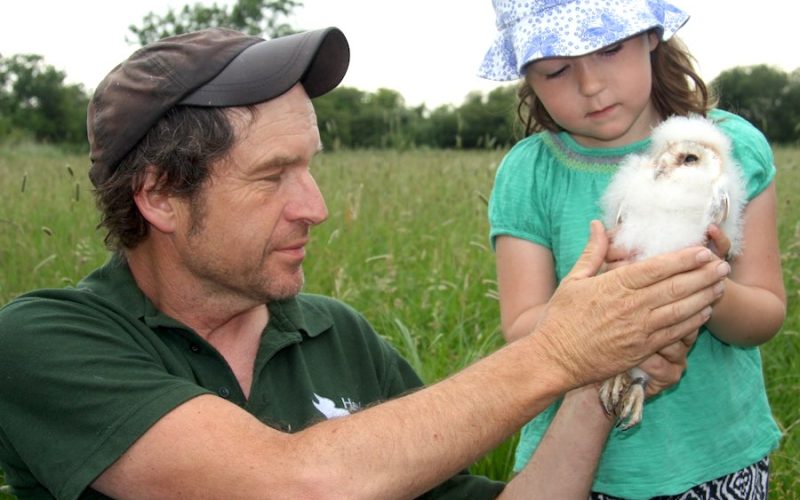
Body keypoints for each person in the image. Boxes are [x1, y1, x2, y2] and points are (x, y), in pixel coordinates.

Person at [0, 27, 728, 500]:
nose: (313, 206)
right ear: (159, 195)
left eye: (310, 167)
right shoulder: (44, 343)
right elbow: (292, 485)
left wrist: (600, 376)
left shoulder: (336, 336)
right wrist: (565, 349)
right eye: (271, 175)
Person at [478, 0, 787, 498]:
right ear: (526, 77)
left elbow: (765, 314)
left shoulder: (727, 148)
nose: (590, 86)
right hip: (580, 472)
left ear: (650, 34)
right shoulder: (531, 172)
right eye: (556, 70)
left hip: (719, 461)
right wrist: (601, 302)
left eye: (609, 49)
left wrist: (702, 287)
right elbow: (522, 329)